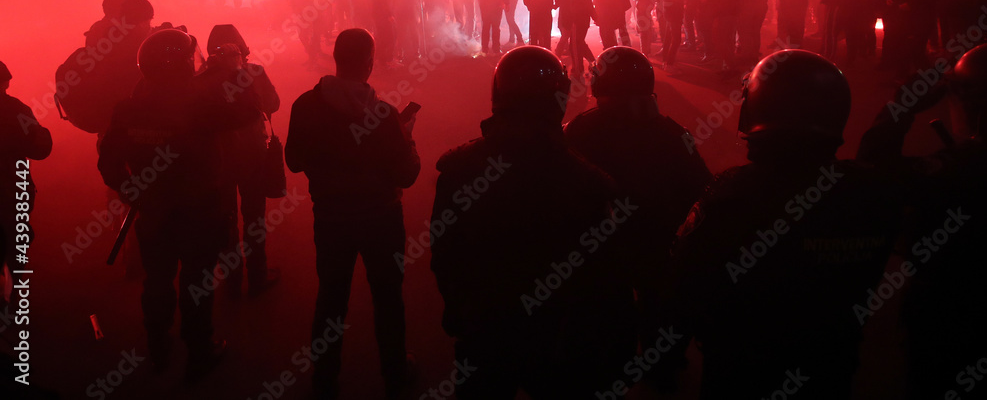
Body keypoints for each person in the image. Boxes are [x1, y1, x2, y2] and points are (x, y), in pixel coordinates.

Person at [664, 50, 903, 399]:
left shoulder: (731, 197)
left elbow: (682, 286)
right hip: (830, 364)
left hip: (742, 369)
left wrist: (668, 357)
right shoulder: (872, 193)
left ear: (758, 108)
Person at [431, 46, 635, 398]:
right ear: (557, 101)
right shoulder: (587, 182)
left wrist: (461, 313)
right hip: (558, 340)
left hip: (483, 332)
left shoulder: (458, 169)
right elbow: (606, 282)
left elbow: (445, 255)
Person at [98, 29, 260, 381]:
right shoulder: (201, 106)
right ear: (185, 66)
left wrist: (135, 191)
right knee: (196, 282)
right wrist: (237, 71)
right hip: (199, 210)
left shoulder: (129, 109)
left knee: (157, 281)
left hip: (154, 213)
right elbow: (250, 111)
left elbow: (108, 163)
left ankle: (158, 349)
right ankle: (200, 352)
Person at [857, 42, 987, 398]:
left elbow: (873, 173)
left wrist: (900, 108)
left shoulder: (956, 169)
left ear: (975, 104)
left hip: (952, 322)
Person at [564, 47, 711, 390]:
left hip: (600, 247)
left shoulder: (579, 131)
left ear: (601, 84)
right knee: (659, 302)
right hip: (659, 242)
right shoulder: (673, 133)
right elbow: (703, 191)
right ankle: (663, 366)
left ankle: (607, 364)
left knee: (603, 310)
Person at [285, 28, 420, 398]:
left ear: (335, 59)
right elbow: (406, 174)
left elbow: (293, 161)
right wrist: (407, 140)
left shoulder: (305, 105)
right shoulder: (383, 115)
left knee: (331, 297)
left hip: (331, 218)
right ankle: (394, 371)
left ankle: (324, 379)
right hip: (381, 217)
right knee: (388, 296)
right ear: (369, 63)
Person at [200, 25, 281, 298]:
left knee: (225, 218)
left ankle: (232, 279)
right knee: (254, 216)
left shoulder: (202, 79)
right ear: (242, 48)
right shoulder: (253, 72)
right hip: (252, 154)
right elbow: (273, 103)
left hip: (218, 159)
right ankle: (258, 274)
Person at [0, 61, 53, 273]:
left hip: (14, 186)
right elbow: (40, 149)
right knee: (15, 242)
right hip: (14, 187)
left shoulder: (17, 110)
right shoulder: (17, 110)